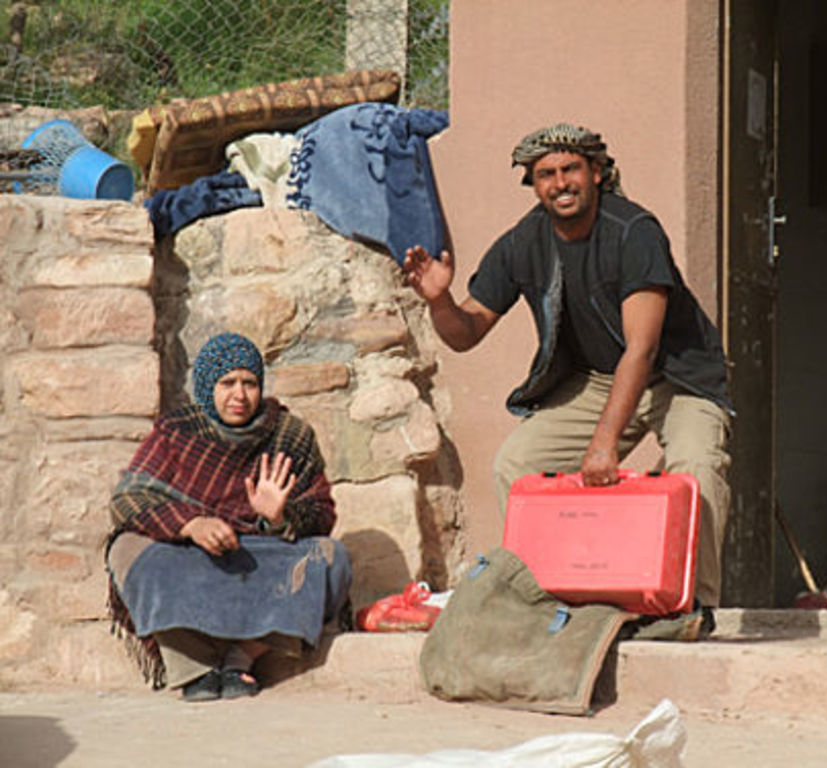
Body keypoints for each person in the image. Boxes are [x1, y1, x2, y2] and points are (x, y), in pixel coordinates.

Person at [403, 123, 732, 634]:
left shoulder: (633, 230)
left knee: (695, 465)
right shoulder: (523, 241)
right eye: (546, 174)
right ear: (534, 185)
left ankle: (694, 607)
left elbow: (642, 349)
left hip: (676, 376)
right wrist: (439, 299)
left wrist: (604, 443)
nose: (560, 183)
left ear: (596, 173)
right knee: (520, 463)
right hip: (601, 377)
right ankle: (548, 602)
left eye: (571, 169)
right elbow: (467, 333)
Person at [106, 332, 351, 701]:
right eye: (227, 383)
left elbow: (322, 514)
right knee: (125, 549)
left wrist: (281, 517)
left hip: (260, 558)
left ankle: (242, 658)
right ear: (208, 386)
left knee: (333, 559)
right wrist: (190, 524)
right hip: (190, 555)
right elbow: (127, 499)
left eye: (249, 383)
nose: (240, 395)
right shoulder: (177, 431)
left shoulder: (290, 435)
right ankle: (193, 668)